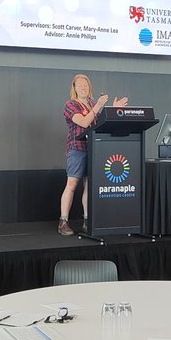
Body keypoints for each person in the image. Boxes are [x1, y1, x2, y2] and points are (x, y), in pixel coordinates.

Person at [58, 73, 127, 235]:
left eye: (86, 85)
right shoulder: (70, 105)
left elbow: (101, 122)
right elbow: (84, 122)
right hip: (77, 148)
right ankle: (63, 222)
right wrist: (99, 107)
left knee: (89, 186)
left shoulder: (92, 104)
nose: (83, 87)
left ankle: (87, 221)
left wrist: (113, 109)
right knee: (72, 184)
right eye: (80, 85)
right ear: (74, 88)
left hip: (95, 149)